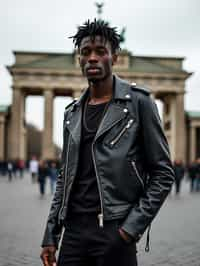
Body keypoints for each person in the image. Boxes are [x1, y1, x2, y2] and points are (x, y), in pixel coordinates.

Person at [40, 19, 174, 266]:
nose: (92, 58)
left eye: (100, 51)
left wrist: (129, 229)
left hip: (115, 229)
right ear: (79, 59)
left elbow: (163, 173)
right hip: (73, 233)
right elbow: (64, 177)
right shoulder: (72, 113)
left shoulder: (139, 103)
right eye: (85, 52)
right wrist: (51, 234)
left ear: (115, 58)